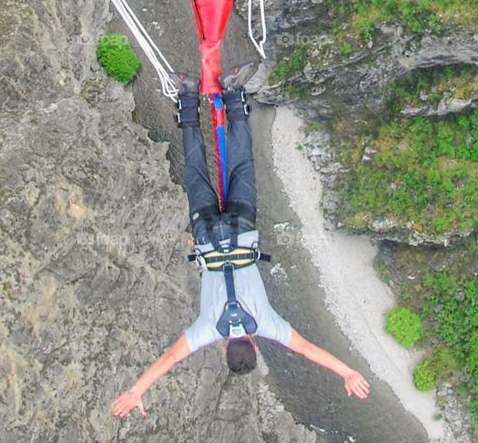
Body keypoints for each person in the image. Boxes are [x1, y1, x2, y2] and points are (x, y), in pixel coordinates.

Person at [111, 65, 371, 418]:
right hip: (205, 232)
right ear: (224, 349)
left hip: (241, 228)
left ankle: (234, 93)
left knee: (241, 166)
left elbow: (308, 349)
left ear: (252, 344)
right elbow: (170, 360)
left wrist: (348, 372)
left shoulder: (265, 323)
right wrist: (135, 391)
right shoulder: (206, 330)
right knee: (195, 170)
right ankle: (188, 95)